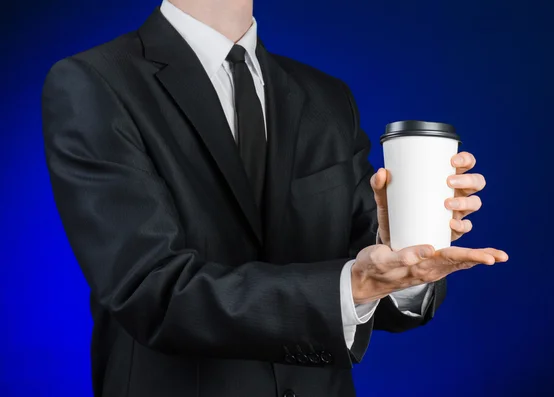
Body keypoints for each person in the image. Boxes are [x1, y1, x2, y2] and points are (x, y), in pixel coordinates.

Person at [41, 0, 508, 396]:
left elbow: (375, 271)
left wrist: (411, 262)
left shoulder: (326, 97)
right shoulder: (94, 82)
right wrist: (353, 285)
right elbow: (149, 291)